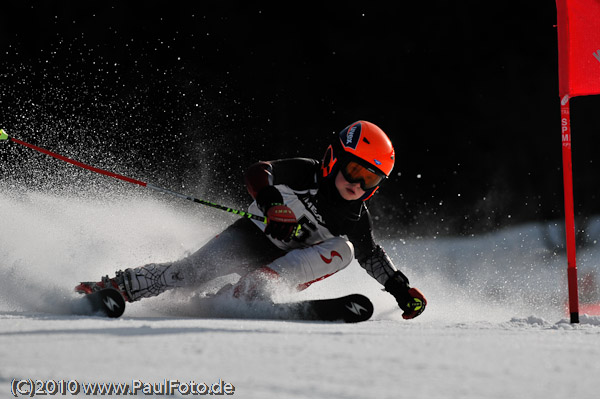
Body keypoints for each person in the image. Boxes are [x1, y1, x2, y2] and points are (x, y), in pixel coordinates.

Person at [76, 121, 427, 319]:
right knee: (190, 273)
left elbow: (373, 257)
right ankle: (118, 287)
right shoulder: (306, 173)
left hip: (285, 269)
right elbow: (259, 172)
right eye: (353, 170)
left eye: (370, 179)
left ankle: (249, 292)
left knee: (347, 250)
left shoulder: (355, 217)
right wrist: (273, 205)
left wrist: (400, 290)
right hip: (251, 237)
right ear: (334, 159)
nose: (356, 183)